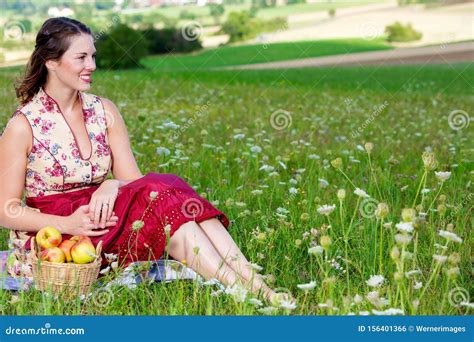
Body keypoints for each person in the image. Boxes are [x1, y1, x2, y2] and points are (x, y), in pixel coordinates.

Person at [0, 17, 288, 304]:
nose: (93, 66)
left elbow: (137, 184)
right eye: (81, 57)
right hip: (62, 235)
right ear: (51, 61)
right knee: (166, 197)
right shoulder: (23, 125)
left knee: (164, 199)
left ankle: (250, 283)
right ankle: (247, 290)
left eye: (93, 56)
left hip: (105, 216)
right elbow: (6, 211)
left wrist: (111, 186)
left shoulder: (104, 111)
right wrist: (69, 224)